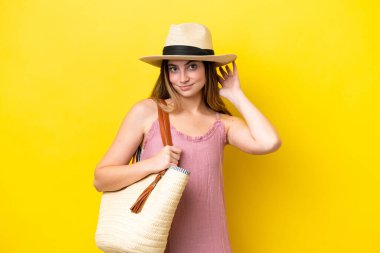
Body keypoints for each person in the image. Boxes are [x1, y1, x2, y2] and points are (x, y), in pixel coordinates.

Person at [93, 23, 281, 253]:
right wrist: (152, 165)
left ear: (207, 69)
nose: (182, 78)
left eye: (191, 66)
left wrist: (236, 95)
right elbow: (101, 179)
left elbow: (269, 142)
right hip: (151, 242)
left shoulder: (223, 124)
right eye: (173, 68)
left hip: (210, 244)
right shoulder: (148, 112)